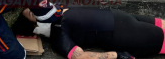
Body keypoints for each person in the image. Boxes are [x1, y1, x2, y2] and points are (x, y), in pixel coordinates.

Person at [12, 7, 165, 59]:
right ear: (35, 26)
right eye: (32, 13)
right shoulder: (58, 34)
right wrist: (116, 56)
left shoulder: (57, 11)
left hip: (121, 17)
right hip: (124, 35)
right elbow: (80, 56)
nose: (37, 9)